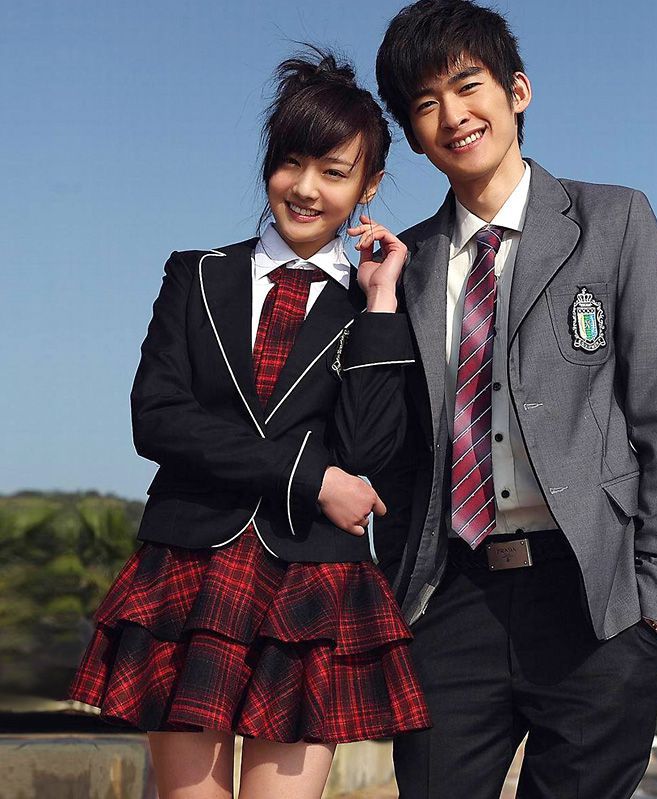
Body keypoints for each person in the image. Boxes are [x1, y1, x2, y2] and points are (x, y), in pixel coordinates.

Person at [67, 50, 430, 799]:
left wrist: (382, 306)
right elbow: (157, 419)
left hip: (311, 580)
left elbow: (368, 451)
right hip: (189, 565)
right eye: (290, 162)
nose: (306, 188)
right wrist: (311, 477)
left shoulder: (377, 306)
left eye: (333, 171)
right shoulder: (196, 274)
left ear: (369, 186)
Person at [372, 2, 657, 797]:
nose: (453, 115)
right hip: (451, 596)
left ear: (516, 91)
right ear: (413, 134)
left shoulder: (614, 220)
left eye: (468, 86)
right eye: (426, 103)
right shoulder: (403, 265)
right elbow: (388, 449)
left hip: (593, 595)